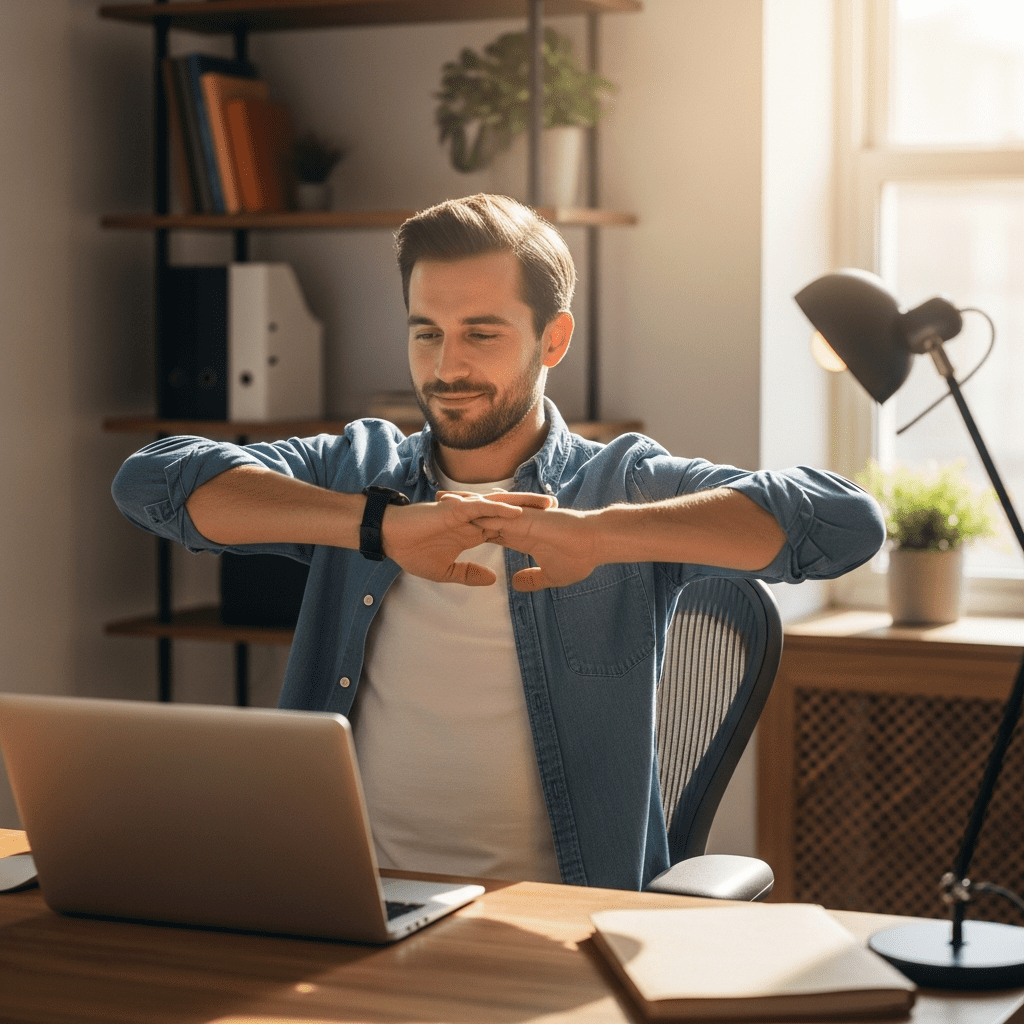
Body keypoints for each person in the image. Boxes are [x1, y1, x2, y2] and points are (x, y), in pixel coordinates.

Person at [112, 193, 885, 891]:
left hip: (556, 913)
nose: (447, 367)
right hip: (343, 896)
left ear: (553, 340)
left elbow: (844, 525)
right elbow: (153, 484)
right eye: (427, 333)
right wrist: (374, 527)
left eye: (481, 333)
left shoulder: (620, 482)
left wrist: (603, 538)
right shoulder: (358, 468)